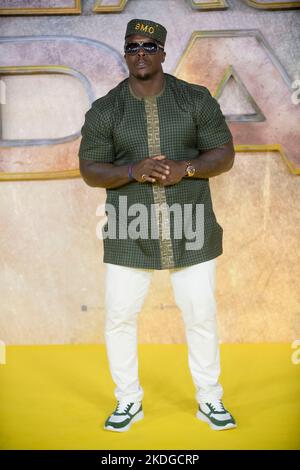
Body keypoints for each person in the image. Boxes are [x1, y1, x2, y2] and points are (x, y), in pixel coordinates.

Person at [79, 18, 236, 433]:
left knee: (200, 314)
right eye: (132, 47)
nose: (141, 53)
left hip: (191, 225)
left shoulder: (194, 99)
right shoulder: (105, 109)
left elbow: (224, 154)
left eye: (149, 46)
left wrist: (184, 169)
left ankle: (209, 400)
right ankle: (128, 401)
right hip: (131, 229)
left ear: (164, 53)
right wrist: (132, 168)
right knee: (118, 316)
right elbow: (90, 169)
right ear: (125, 54)